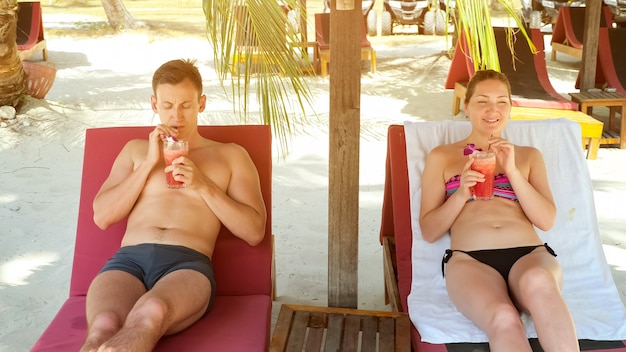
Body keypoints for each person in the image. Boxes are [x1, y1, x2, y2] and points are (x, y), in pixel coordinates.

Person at [80, 59, 267, 352]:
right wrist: (147, 166)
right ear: (154, 104)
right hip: (128, 260)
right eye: (167, 105)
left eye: (185, 105)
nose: (176, 115)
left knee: (151, 312)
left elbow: (255, 231)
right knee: (103, 324)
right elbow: (102, 216)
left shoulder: (230, 156)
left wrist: (202, 184)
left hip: (187, 264)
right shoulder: (135, 150)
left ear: (201, 103)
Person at [419, 70, 579, 351]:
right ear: (466, 106)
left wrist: (514, 171)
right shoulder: (442, 157)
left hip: (530, 256)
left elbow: (546, 220)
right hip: (470, 261)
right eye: (482, 101)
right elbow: (430, 231)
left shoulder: (528, 156)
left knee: (540, 284)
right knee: (504, 317)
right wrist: (462, 194)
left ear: (510, 108)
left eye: (501, 101)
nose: (493, 110)